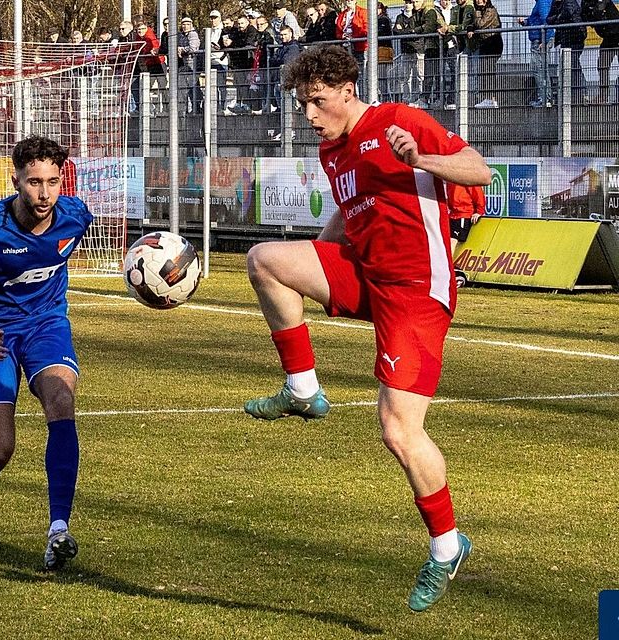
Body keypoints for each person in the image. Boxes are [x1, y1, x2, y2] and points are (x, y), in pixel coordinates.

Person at [245, 44, 490, 613]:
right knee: (265, 260)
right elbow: (350, 208)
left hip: (416, 290)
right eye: (303, 103)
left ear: (346, 90)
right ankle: (303, 389)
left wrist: (422, 161)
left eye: (317, 102)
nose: (308, 115)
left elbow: (479, 169)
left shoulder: (399, 121)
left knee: (399, 431)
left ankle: (448, 545)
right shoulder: (335, 147)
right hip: (367, 273)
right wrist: (318, 258)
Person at [0, 136, 93, 571]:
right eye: (34, 183)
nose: (45, 193)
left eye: (53, 181)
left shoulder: (75, 217)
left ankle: (58, 530)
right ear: (16, 181)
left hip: (47, 325)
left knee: (61, 401)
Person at [547, 0, 588, 103]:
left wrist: (558, 18)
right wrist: (559, 17)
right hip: (565, 38)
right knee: (569, 65)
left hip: (576, 36)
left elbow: (568, 14)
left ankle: (581, 92)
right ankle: (575, 93)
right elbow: (548, 19)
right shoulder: (555, 3)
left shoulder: (569, 1)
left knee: (573, 63)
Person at [447, 182, 485, 287]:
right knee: (448, 241)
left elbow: (477, 192)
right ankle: (447, 268)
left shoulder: (466, 176)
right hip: (453, 214)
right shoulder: (450, 176)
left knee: (453, 241)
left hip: (463, 214)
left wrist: (479, 211)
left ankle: (447, 268)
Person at [581, 0, 619, 103]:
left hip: (614, 35)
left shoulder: (602, 3)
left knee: (603, 65)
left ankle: (603, 96)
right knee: (602, 65)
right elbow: (586, 17)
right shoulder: (588, 5)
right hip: (608, 38)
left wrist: (590, 12)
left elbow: (597, 13)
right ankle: (603, 96)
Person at [518, 0, 555, 107]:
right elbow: (537, 20)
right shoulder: (541, 2)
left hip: (540, 40)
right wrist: (525, 22)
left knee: (539, 69)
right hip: (540, 39)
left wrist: (544, 40)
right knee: (540, 69)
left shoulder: (542, 2)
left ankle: (544, 98)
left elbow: (546, 21)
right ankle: (545, 98)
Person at [468, 0, 503, 108]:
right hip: (485, 44)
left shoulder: (490, 10)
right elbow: (473, 24)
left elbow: (480, 24)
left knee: (488, 71)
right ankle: (489, 99)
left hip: (492, 44)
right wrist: (470, 28)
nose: (478, 1)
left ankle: (491, 99)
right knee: (484, 71)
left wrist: (477, 13)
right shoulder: (481, 11)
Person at [394, 0, 425, 104]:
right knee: (405, 77)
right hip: (405, 50)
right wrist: (412, 31)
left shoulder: (418, 15)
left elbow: (421, 29)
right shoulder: (400, 17)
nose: (408, 4)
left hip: (418, 49)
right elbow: (396, 31)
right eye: (406, 2)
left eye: (410, 2)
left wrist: (407, 31)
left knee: (420, 75)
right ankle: (406, 99)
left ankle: (419, 98)